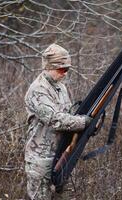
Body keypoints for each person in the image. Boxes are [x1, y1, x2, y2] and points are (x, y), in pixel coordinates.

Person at [24, 43, 92, 199]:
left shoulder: (60, 87)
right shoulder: (38, 90)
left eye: (67, 69)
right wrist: (83, 122)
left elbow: (67, 115)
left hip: (61, 156)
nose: (65, 73)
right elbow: (55, 120)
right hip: (40, 160)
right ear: (49, 67)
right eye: (61, 69)